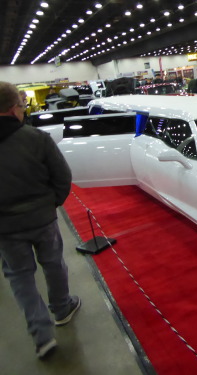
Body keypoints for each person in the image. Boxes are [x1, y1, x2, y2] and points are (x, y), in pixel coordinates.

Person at [0, 81, 80, 359]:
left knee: (19, 277)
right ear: (13, 109)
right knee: (53, 263)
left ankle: (41, 335)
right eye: (22, 106)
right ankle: (61, 308)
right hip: (42, 218)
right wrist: (51, 204)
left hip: (6, 228)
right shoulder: (37, 139)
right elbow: (63, 177)